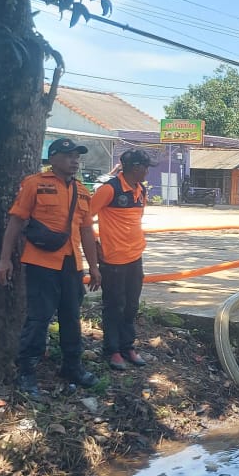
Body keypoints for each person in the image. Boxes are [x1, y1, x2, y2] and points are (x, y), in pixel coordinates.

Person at [0, 138, 102, 396]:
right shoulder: (35, 184)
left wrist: (94, 267)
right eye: (68, 155)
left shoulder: (82, 190)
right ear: (52, 158)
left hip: (71, 265)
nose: (74, 160)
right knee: (38, 318)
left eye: (77, 156)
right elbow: (16, 222)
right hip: (41, 263)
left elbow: (87, 231)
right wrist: (4, 259)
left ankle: (72, 367)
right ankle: (27, 373)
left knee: (71, 317)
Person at [91, 149, 155, 371]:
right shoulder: (109, 189)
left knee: (131, 305)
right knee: (114, 306)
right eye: (145, 167)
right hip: (113, 259)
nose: (147, 171)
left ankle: (127, 346)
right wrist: (95, 245)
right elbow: (84, 218)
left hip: (134, 257)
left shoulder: (140, 191)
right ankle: (112, 350)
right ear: (134, 167)